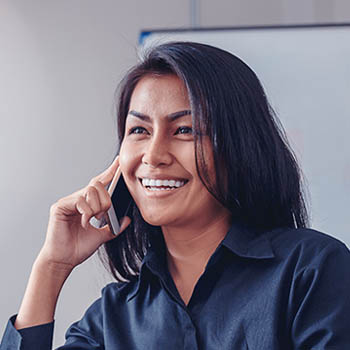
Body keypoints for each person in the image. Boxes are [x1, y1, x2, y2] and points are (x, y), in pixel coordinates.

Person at [1, 41, 350, 350]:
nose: (153, 155)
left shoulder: (310, 270)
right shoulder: (113, 317)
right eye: (139, 130)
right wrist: (51, 267)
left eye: (184, 130)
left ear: (238, 146)